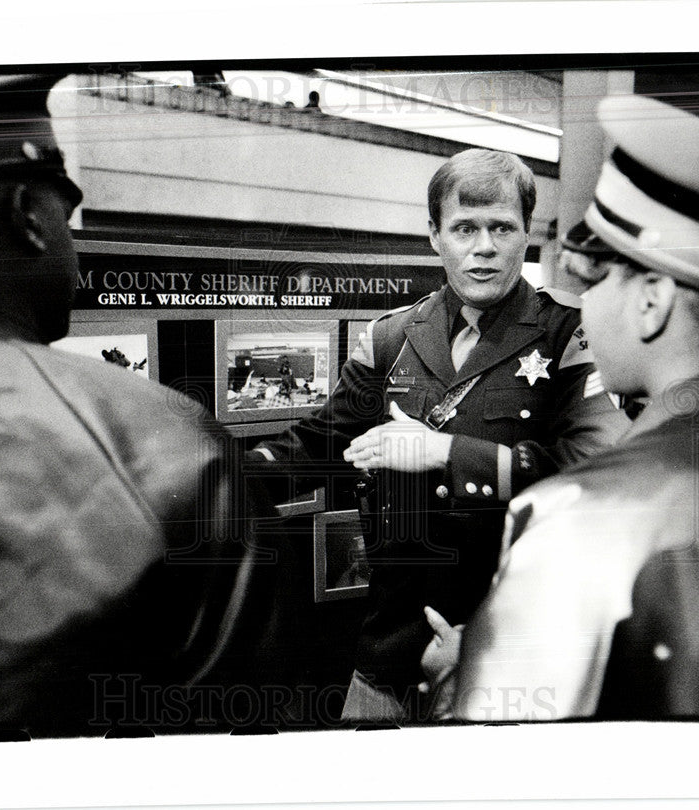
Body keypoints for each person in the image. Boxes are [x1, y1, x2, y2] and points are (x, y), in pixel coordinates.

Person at [0, 74, 272, 743]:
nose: (80, 267)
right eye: (66, 219)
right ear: (26, 216)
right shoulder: (172, 439)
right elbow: (234, 729)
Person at [445, 95, 699, 721]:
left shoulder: (579, 516)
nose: (584, 307)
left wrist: (456, 675)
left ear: (652, 301)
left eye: (596, 280)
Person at [254, 147, 629, 721]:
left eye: (502, 227)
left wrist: (446, 452)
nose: (484, 247)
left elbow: (595, 471)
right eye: (464, 228)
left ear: (527, 234)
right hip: (387, 651)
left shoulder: (568, 336)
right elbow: (315, 444)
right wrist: (213, 475)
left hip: (512, 655)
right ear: (435, 236)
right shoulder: (392, 337)